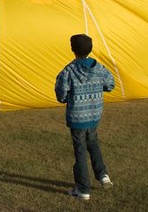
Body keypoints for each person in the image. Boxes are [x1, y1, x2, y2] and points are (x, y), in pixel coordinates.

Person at [55, 34, 115, 202]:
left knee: (80, 150)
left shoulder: (68, 71)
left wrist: (68, 98)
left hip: (77, 117)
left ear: (72, 49)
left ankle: (82, 189)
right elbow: (110, 84)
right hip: (94, 114)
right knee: (93, 143)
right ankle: (103, 175)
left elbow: (61, 94)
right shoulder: (99, 68)